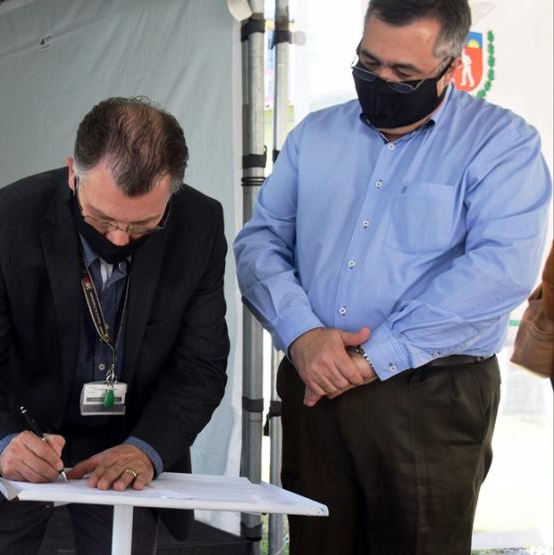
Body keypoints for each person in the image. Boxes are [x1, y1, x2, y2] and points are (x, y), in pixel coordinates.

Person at [233, 1, 552, 553]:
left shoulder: (501, 144)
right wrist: (302, 333)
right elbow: (260, 241)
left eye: (404, 74)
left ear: (450, 68)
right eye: (368, 62)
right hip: (315, 387)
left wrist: (371, 359)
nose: (381, 81)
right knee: (316, 543)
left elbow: (500, 270)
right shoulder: (316, 134)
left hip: (430, 393)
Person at [0, 97, 229, 554]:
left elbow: (200, 367)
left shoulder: (199, 225)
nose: (118, 238)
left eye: (143, 226)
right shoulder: (7, 220)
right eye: (102, 219)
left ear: (173, 192)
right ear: (73, 173)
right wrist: (3, 446)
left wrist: (148, 449)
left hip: (125, 448)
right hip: (22, 428)